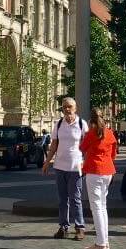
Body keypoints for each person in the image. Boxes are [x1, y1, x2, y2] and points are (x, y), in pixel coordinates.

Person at [43, 96, 88, 241]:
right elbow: (54, 146)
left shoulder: (82, 124)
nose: (67, 109)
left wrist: (86, 163)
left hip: (76, 167)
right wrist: (47, 162)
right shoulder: (58, 124)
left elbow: (87, 147)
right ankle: (63, 227)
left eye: (69, 106)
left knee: (75, 199)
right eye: (64, 107)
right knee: (62, 200)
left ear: (75, 108)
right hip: (60, 167)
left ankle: (80, 228)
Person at [79, 107, 118, 249]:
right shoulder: (110, 133)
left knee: (96, 208)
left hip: (94, 171)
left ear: (91, 119)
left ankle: (101, 243)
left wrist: (88, 131)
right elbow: (114, 154)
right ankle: (104, 241)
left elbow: (82, 148)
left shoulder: (91, 133)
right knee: (102, 206)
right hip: (108, 171)